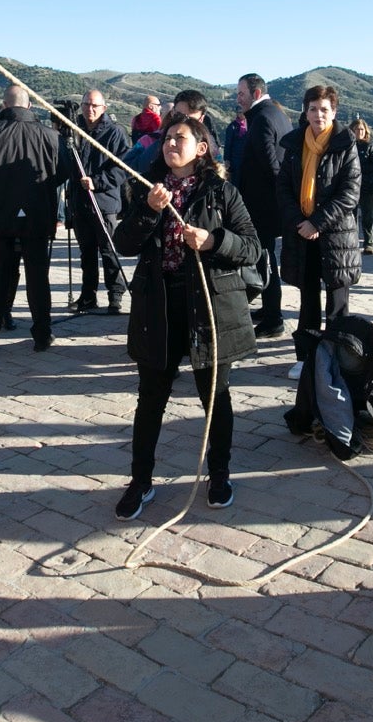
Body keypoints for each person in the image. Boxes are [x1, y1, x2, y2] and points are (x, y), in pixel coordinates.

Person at [111, 115, 261, 519]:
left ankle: (219, 473)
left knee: (216, 398)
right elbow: (123, 243)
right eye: (166, 139)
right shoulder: (144, 188)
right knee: (150, 400)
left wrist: (214, 240)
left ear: (201, 148)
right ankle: (140, 482)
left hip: (209, 307)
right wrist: (148, 210)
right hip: (157, 308)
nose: (170, 144)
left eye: (180, 138)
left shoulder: (222, 192)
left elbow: (252, 248)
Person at [0, 85, 69, 352]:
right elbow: (63, 172)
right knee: (38, 278)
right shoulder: (51, 136)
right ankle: (42, 334)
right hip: (37, 216)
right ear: (30, 106)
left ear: (4, 105)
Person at [276, 85, 362, 379]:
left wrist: (318, 222)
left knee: (338, 302)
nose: (318, 114)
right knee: (308, 299)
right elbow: (283, 187)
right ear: (306, 111)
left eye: (324, 109)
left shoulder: (345, 143)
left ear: (334, 112)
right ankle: (307, 357)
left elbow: (350, 193)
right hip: (301, 233)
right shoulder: (294, 145)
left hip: (336, 235)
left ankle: (339, 359)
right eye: (313, 108)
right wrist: (298, 221)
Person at [235, 73, 292, 339]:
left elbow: (271, 165)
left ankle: (273, 319)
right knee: (265, 259)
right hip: (271, 205)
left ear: (256, 94)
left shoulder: (261, 119)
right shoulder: (278, 114)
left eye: (241, 94)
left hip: (262, 206)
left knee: (265, 261)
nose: (238, 100)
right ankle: (269, 309)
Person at [64, 90, 131, 314]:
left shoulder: (115, 133)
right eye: (86, 105)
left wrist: (97, 181)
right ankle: (88, 296)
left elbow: (123, 167)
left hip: (104, 202)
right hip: (80, 202)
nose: (89, 109)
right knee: (87, 253)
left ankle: (115, 296)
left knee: (109, 251)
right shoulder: (75, 131)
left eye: (94, 105)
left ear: (103, 107)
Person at [350, 117, 373, 255]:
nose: (359, 132)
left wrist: (361, 170)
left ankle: (369, 243)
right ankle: (352, 243)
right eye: (357, 129)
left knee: (367, 216)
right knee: (350, 216)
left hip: (367, 186)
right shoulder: (347, 146)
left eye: (362, 129)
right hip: (350, 186)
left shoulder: (370, 147)